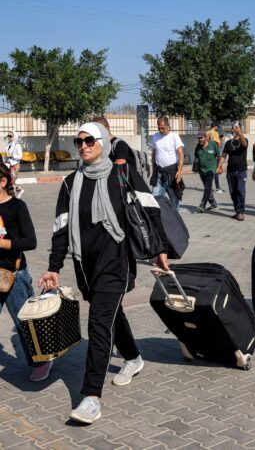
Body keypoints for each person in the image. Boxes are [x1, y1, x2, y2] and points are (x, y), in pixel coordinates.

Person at [38, 123, 169, 424]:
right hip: (85, 265)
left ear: (104, 142)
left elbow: (151, 210)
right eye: (78, 141)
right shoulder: (71, 183)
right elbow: (61, 228)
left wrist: (160, 249)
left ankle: (91, 397)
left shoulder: (122, 175)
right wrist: (54, 266)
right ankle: (134, 358)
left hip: (116, 262)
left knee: (98, 322)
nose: (83, 146)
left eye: (89, 140)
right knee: (110, 314)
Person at [0, 164, 50, 381]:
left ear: (3, 182)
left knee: (25, 323)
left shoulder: (17, 207)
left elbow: (30, 241)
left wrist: (2, 244)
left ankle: (42, 361)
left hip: (14, 274)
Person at [150, 117, 184, 212]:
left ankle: (176, 222)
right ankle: (159, 222)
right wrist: (153, 170)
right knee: (155, 198)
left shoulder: (174, 137)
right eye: (159, 128)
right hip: (159, 173)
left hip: (171, 173)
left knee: (174, 200)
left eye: (163, 128)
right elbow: (154, 153)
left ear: (168, 126)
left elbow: (181, 154)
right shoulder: (155, 136)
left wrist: (180, 171)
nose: (161, 130)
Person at [217, 122, 248, 221]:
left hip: (241, 171)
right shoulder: (228, 143)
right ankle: (237, 211)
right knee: (232, 192)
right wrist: (219, 166)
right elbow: (224, 155)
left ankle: (241, 212)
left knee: (240, 191)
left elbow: (245, 144)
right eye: (234, 128)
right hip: (230, 171)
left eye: (237, 128)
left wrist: (241, 134)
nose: (235, 130)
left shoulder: (244, 139)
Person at [193, 131, 219, 213]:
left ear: (206, 137)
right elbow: (196, 157)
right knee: (207, 188)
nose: (199, 139)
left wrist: (219, 167)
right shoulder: (198, 147)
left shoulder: (213, 144)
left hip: (211, 169)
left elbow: (219, 155)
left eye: (201, 137)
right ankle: (213, 203)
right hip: (202, 170)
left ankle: (202, 204)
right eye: (198, 138)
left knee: (207, 187)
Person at [4, 131, 23, 199]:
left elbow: (20, 156)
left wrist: (12, 155)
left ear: (14, 137)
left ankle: (13, 196)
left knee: (11, 181)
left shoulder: (17, 145)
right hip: (9, 165)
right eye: (8, 136)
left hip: (15, 165)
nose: (9, 137)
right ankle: (18, 190)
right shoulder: (8, 146)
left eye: (10, 136)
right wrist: (3, 163)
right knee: (10, 181)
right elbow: (6, 156)